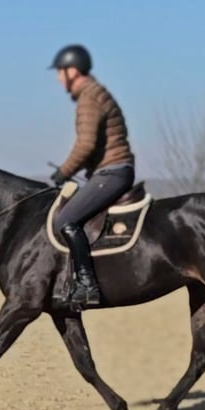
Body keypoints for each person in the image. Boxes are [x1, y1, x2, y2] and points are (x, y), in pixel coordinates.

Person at [49, 44, 135, 306]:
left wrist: (63, 172)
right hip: (110, 170)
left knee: (66, 219)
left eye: (60, 72)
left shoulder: (89, 98)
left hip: (112, 172)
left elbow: (86, 144)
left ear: (72, 71)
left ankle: (87, 285)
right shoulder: (94, 93)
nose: (57, 78)